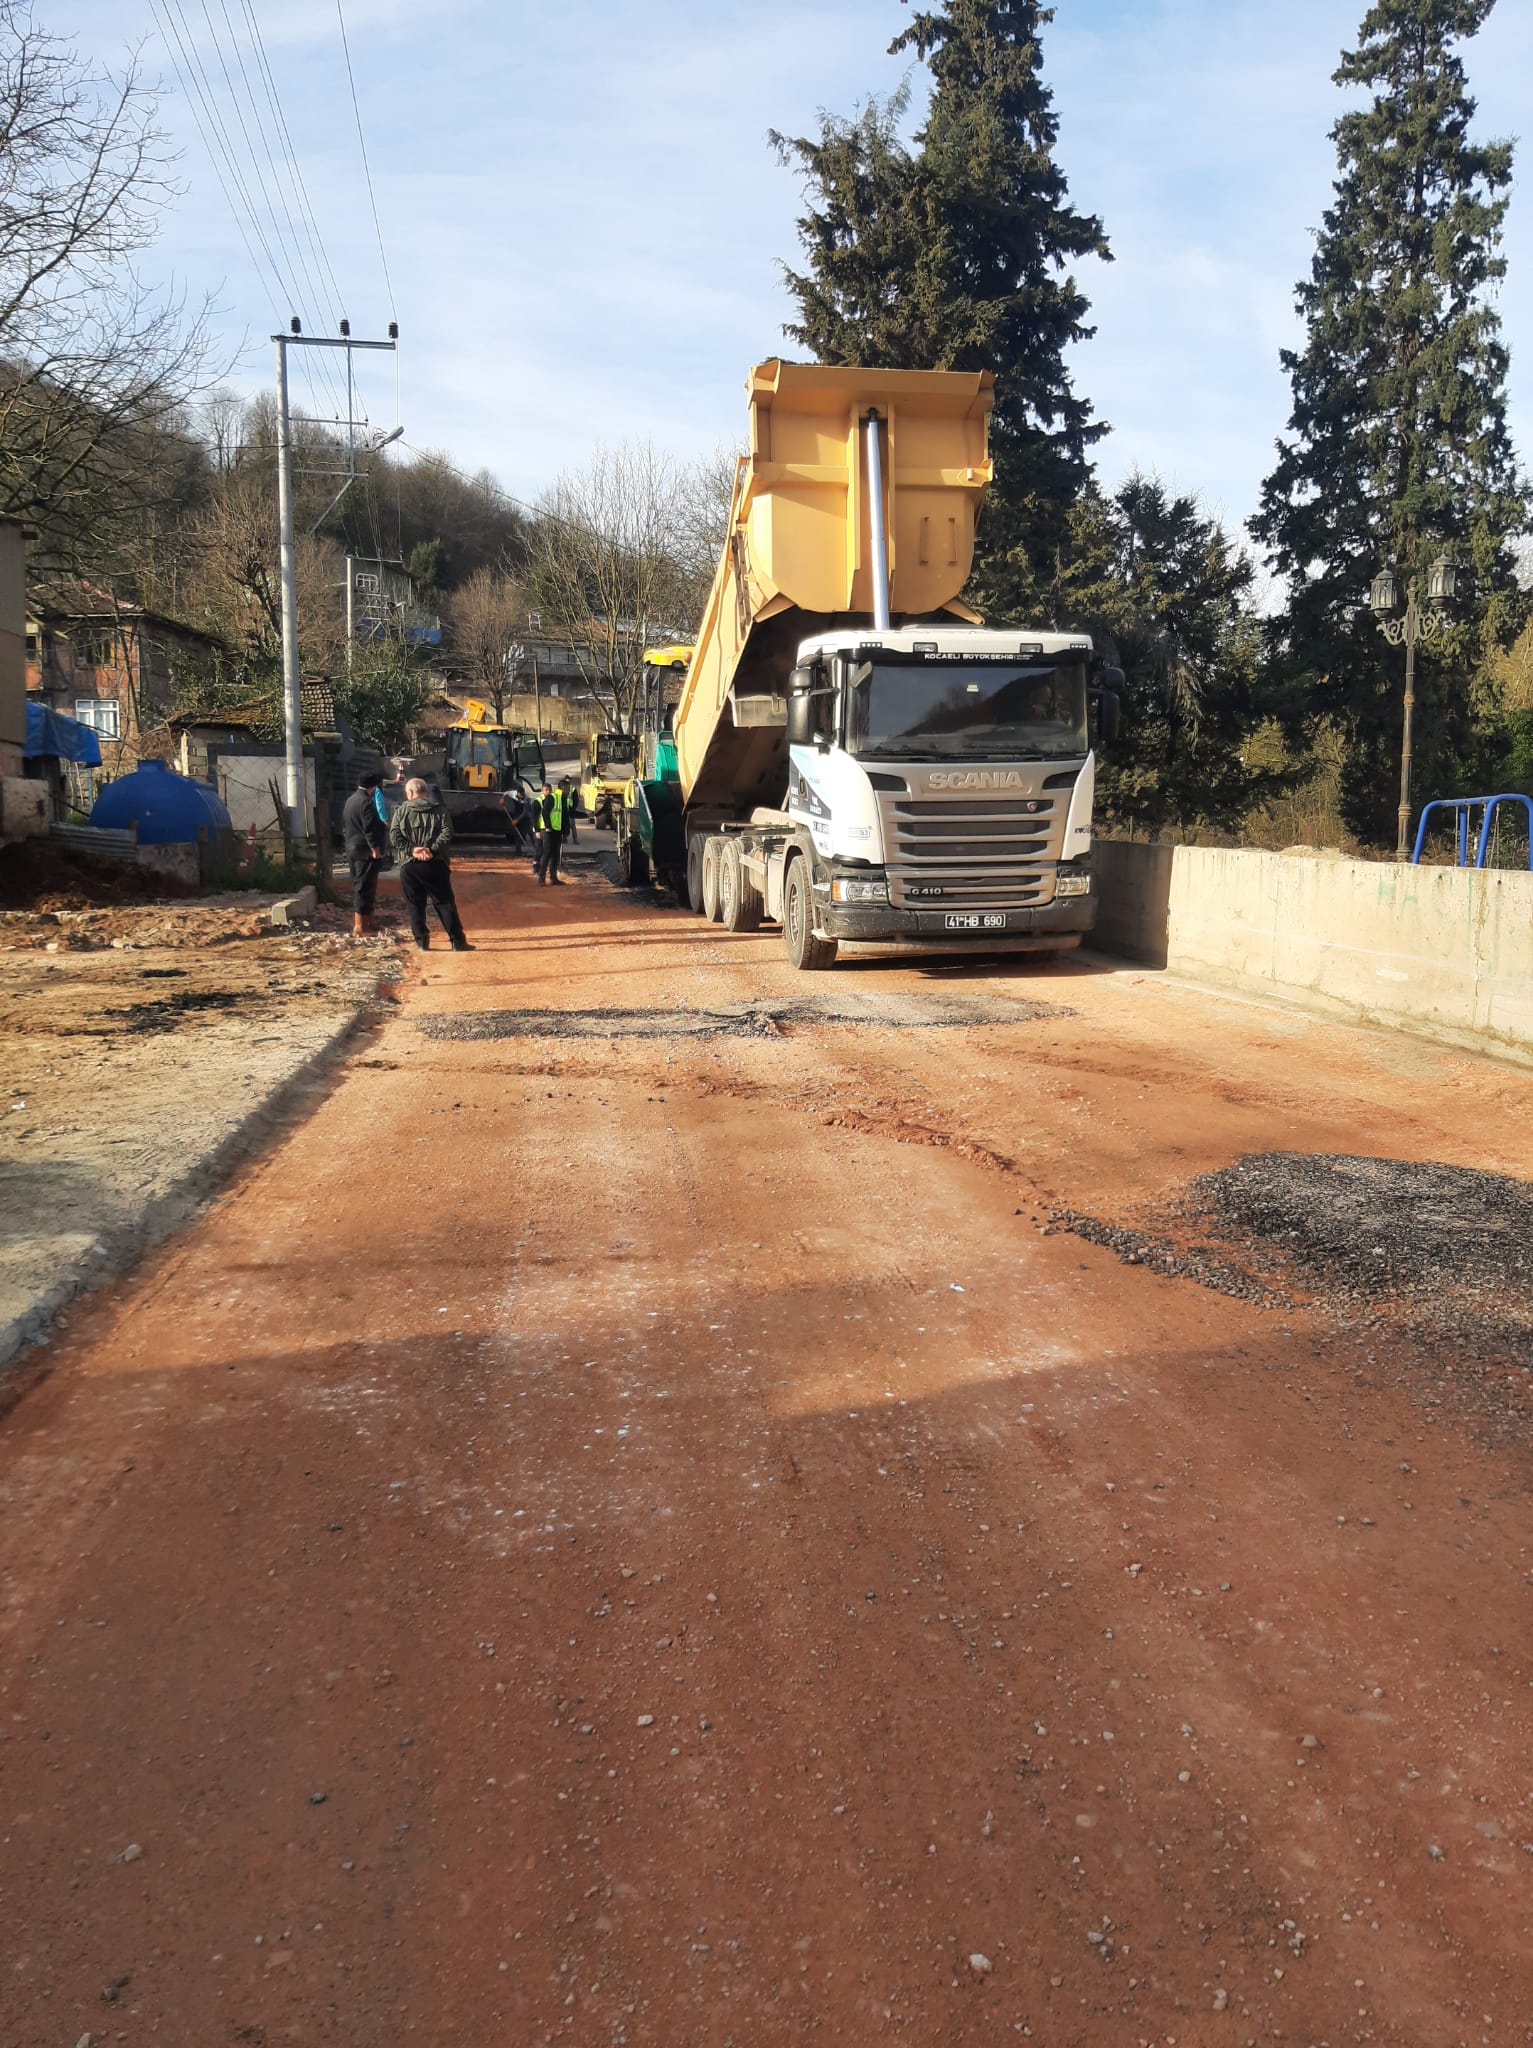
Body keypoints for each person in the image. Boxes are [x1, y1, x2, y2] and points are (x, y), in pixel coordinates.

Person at [389, 776, 473, 951]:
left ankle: (422, 942)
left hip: (409, 865)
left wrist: (412, 850)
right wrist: (432, 851)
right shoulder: (439, 810)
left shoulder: (401, 811)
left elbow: (394, 836)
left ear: (410, 793)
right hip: (435, 864)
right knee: (444, 902)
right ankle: (457, 941)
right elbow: (448, 833)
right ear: (425, 793)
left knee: (415, 905)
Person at [341, 769, 390, 937]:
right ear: (373, 786)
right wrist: (375, 848)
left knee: (363, 884)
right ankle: (360, 926)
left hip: (352, 847)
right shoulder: (366, 802)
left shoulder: (350, 800)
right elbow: (368, 827)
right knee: (364, 886)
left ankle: (369, 921)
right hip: (365, 850)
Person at [534, 777, 565, 886]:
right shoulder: (551, 798)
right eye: (545, 790)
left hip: (556, 830)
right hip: (547, 830)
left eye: (548, 789)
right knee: (546, 853)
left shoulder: (560, 798)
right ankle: (541, 878)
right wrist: (545, 827)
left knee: (555, 855)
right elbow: (544, 813)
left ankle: (553, 878)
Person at [560, 776, 579, 847]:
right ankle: (564, 838)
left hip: (570, 809)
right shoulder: (561, 789)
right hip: (563, 809)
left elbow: (576, 800)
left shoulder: (572, 789)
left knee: (572, 825)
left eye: (568, 781)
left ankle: (575, 839)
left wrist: (573, 808)